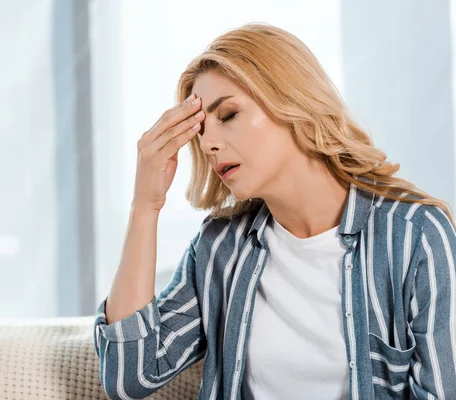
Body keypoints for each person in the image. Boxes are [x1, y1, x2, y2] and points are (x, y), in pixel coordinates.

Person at [92, 23, 456, 400]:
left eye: (228, 114)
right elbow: (128, 378)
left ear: (291, 101)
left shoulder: (416, 237)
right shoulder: (221, 247)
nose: (209, 144)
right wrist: (145, 206)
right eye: (200, 132)